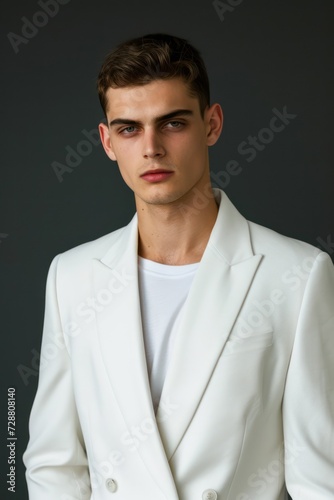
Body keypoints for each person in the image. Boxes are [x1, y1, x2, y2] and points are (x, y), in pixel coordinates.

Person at [23, 33, 334, 500]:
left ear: (212, 124)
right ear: (107, 142)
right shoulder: (72, 277)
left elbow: (320, 479)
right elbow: (53, 462)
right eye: (129, 128)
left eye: (172, 123)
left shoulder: (298, 275)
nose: (151, 147)